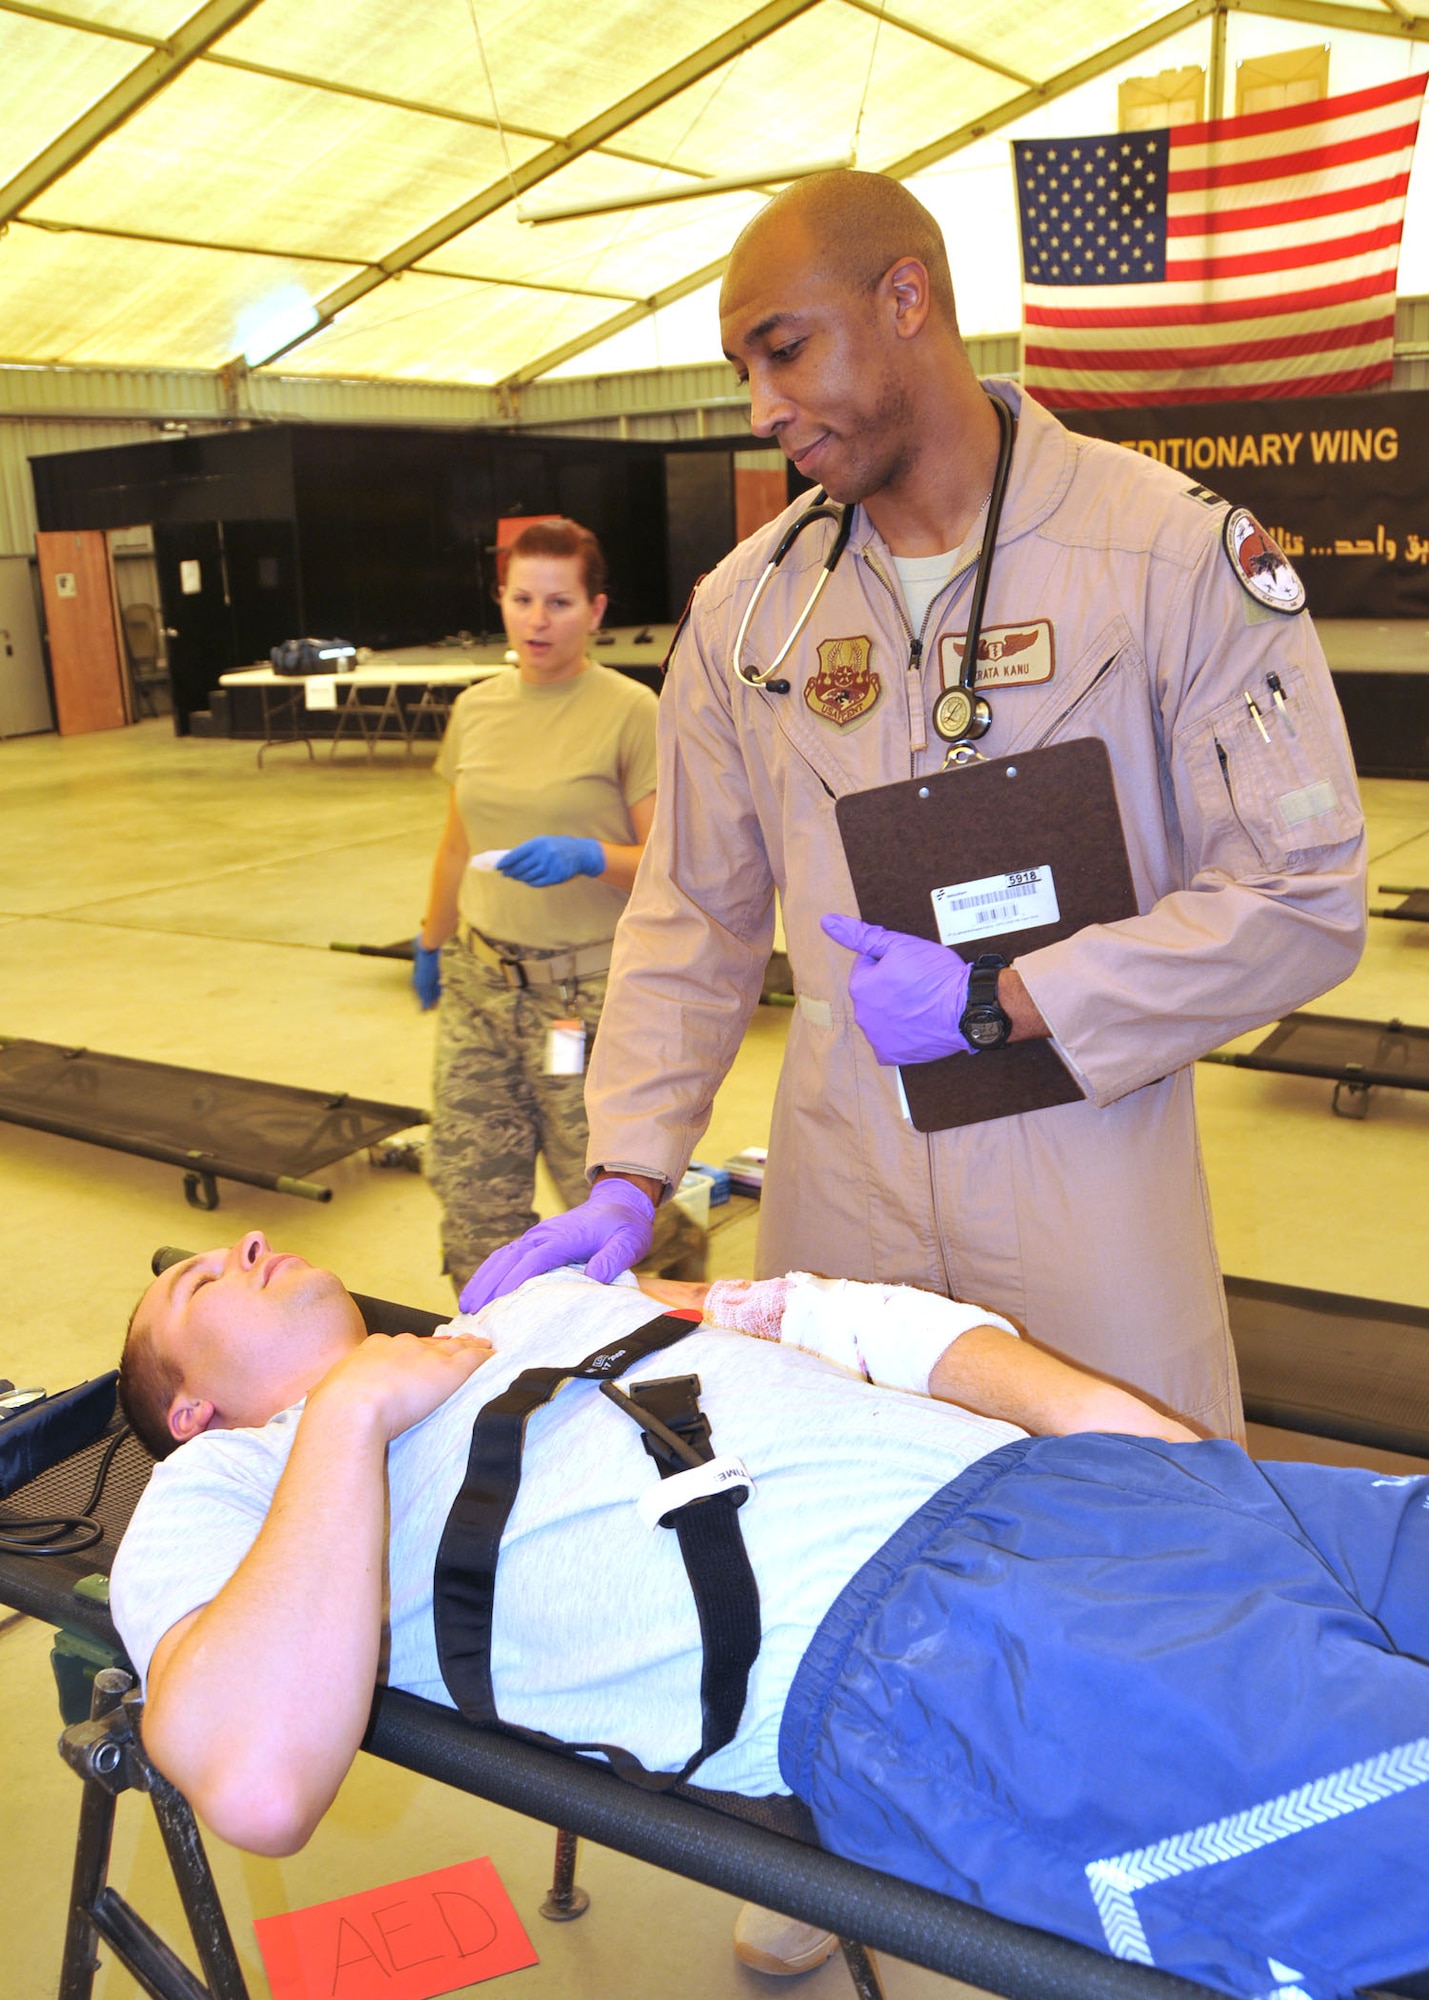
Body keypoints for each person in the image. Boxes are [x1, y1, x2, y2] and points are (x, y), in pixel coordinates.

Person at [459, 172, 1367, 1450]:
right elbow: (690, 917)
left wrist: (1011, 999)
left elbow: (1300, 898)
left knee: (1123, 1544)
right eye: (743, 370)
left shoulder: (1167, 558)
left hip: (1084, 1170)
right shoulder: (747, 614)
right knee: (852, 1550)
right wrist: (628, 1169)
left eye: (785, 350)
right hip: (839, 1189)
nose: (765, 406)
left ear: (905, 299)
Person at [113, 1234, 1429, 2000]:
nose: (238, 1246)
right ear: (185, 1409)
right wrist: (350, 1413)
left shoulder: (527, 1305)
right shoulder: (221, 1491)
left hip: (1099, 1496)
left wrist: (1094, 1418)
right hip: (937, 1652)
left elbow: (837, 1323)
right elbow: (258, 1779)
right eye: (192, 1289)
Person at [412, 517, 670, 1290]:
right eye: (521, 598)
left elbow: (669, 865)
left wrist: (591, 856)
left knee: (604, 1201)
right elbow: (458, 843)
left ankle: (672, 1309)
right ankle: (490, 1347)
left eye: (559, 602)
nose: (537, 619)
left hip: (582, 999)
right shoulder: (477, 709)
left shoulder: (632, 712)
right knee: (472, 1199)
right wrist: (431, 941)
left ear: (595, 611)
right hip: (479, 986)